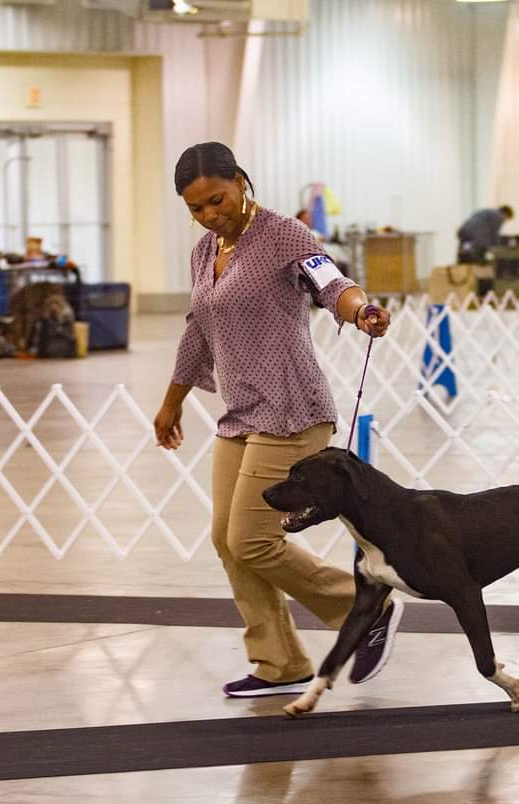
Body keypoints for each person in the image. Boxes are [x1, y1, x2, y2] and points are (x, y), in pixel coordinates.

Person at [154, 142, 402, 699]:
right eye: (197, 208)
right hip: (239, 413)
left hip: (291, 408)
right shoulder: (204, 252)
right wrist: (171, 401)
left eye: (217, 200)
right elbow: (198, 330)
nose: (210, 214)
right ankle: (279, 663)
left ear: (241, 180)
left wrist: (361, 310)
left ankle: (365, 606)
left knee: (253, 540)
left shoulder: (283, 235)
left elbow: (330, 284)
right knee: (227, 539)